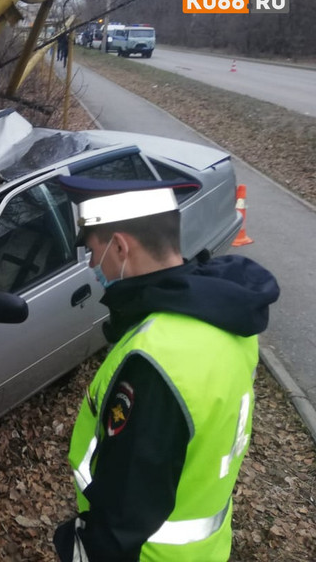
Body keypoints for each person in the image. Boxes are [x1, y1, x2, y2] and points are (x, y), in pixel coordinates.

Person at [52, 178, 280, 562]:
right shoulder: (230, 316)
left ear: (120, 246)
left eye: (92, 251)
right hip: (206, 548)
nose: (92, 264)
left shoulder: (153, 362)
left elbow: (122, 520)